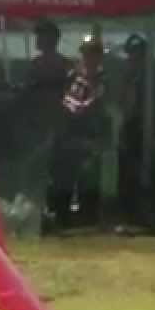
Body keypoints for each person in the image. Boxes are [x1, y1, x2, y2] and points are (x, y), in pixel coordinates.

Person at [47, 34, 111, 229]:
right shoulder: (73, 79)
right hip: (70, 135)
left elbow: (104, 109)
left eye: (95, 54)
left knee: (89, 178)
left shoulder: (104, 80)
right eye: (87, 54)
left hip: (91, 135)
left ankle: (88, 218)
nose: (91, 58)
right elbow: (65, 105)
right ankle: (62, 217)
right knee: (65, 176)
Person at [116, 34, 155, 226]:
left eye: (137, 54)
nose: (133, 58)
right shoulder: (129, 77)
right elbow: (123, 105)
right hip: (131, 133)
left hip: (148, 133)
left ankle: (152, 216)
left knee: (149, 174)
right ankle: (129, 215)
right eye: (131, 54)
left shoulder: (152, 78)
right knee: (128, 176)